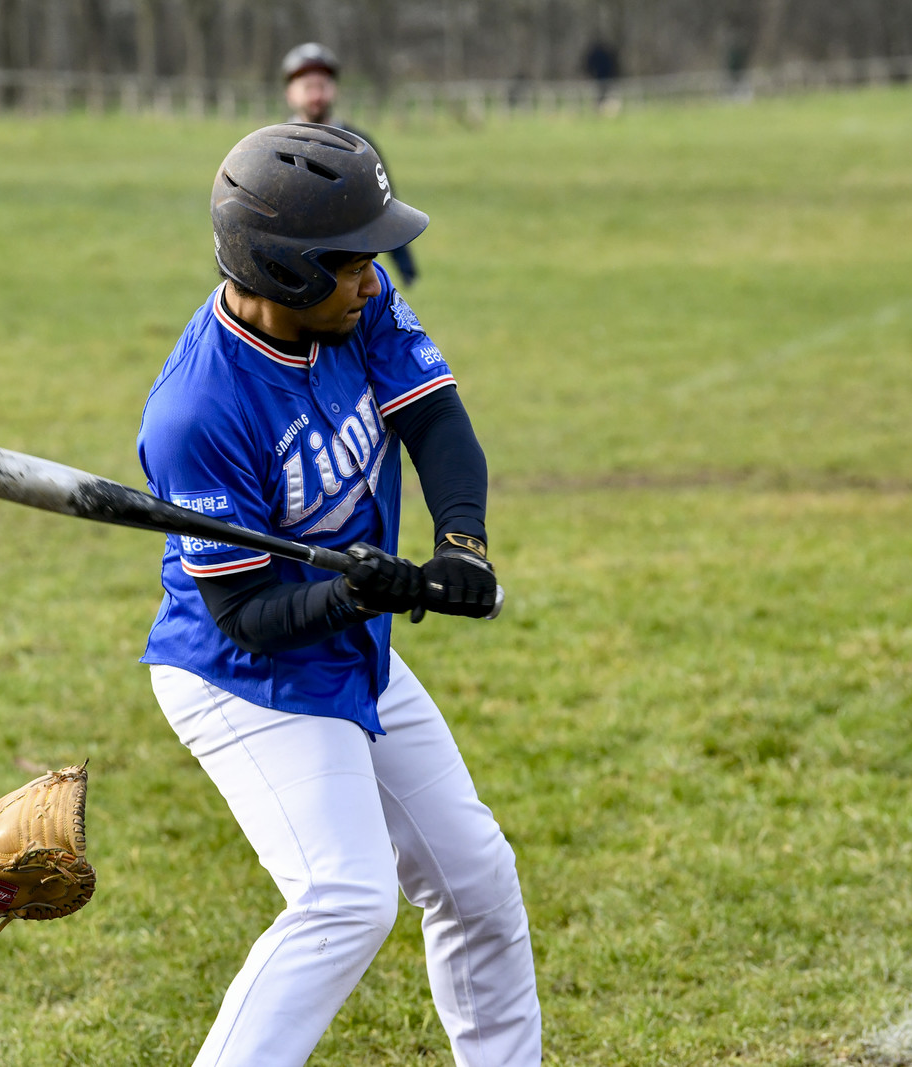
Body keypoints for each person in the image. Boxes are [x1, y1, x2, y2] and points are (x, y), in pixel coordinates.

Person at [137, 124, 541, 1066]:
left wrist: (461, 542)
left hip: (345, 644)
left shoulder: (358, 307)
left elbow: (435, 418)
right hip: (242, 676)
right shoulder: (197, 412)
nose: (372, 278)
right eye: (352, 262)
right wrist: (353, 596)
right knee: (345, 899)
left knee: (476, 875)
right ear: (287, 271)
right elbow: (247, 618)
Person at [281, 42, 419, 288]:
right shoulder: (275, 147)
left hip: (350, 271)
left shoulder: (359, 145)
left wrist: (405, 266)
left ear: (334, 90)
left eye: (322, 86)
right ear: (290, 93)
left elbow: (385, 203)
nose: (316, 95)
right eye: (308, 87)